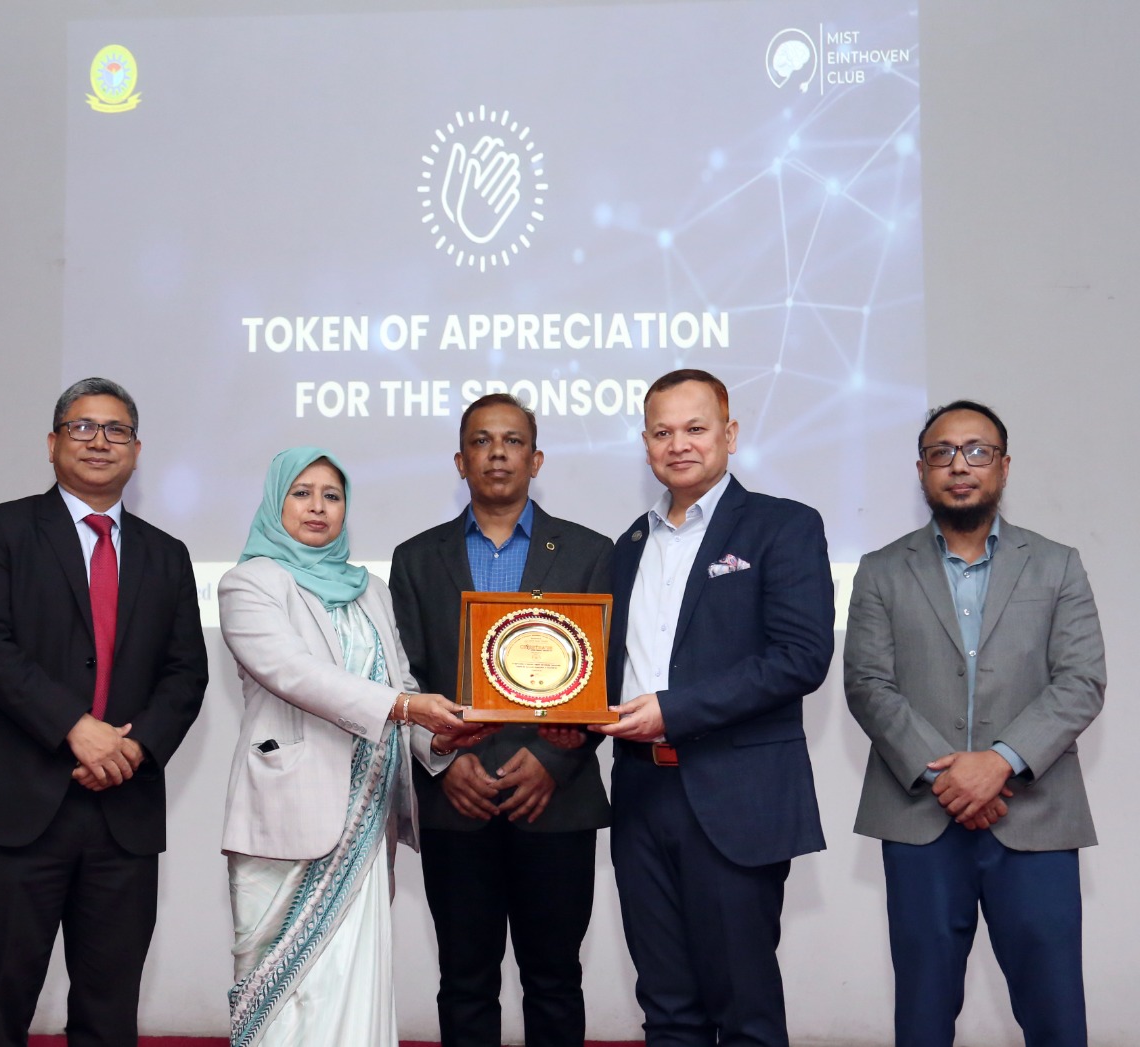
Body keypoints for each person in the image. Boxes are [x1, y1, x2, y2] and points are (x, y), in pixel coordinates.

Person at [0, 378, 208, 1047]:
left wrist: (133, 748)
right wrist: (74, 728)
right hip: (21, 801)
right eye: (82, 427)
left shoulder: (167, 554)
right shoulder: (1, 528)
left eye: (116, 430)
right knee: (1, 1005)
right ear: (52, 443)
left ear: (137, 450)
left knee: (109, 1012)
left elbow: (186, 674)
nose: (99, 442)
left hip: (124, 807)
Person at [844, 400, 1105, 1046]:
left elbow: (1081, 680)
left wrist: (998, 762)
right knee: (923, 1019)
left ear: (1004, 466)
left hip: (1036, 817)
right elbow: (868, 684)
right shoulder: (880, 569)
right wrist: (951, 775)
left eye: (977, 451)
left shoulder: (1057, 564)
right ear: (921, 470)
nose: (960, 466)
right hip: (920, 819)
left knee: (1056, 1017)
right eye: (942, 453)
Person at [590, 369, 833, 1045]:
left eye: (695, 428)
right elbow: (609, 670)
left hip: (735, 797)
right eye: (662, 432)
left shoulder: (783, 525)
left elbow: (801, 657)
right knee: (666, 1008)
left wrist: (673, 710)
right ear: (645, 445)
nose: (679, 445)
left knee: (745, 1010)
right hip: (640, 794)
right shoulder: (628, 546)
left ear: (730, 434)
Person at [218, 447, 474, 1047]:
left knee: (352, 982)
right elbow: (293, 673)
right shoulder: (248, 584)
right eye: (302, 493)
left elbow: (401, 684)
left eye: (331, 496)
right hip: (288, 812)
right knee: (284, 992)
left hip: (365, 820)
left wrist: (442, 737)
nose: (318, 507)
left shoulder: (371, 590)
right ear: (276, 501)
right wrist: (406, 707)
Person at [388, 393, 612, 1047]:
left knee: (554, 980)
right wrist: (445, 760)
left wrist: (553, 760)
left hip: (556, 800)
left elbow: (605, 674)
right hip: (456, 801)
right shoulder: (416, 557)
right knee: (465, 981)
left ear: (535, 459)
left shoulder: (590, 552)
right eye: (481, 441)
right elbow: (402, 676)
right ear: (460, 461)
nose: (497, 453)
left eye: (512, 441)